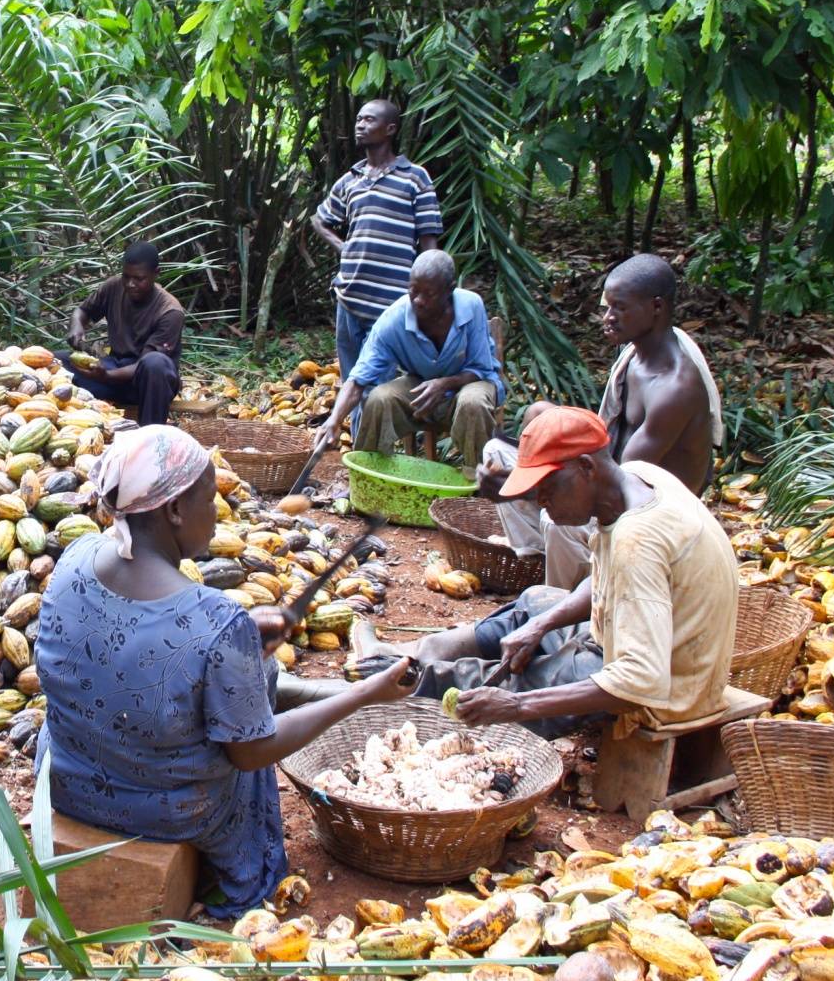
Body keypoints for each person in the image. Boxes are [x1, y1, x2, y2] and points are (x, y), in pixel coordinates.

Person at [34, 424, 417, 918]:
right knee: (246, 749)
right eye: (209, 497)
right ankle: (235, 880)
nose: (216, 511)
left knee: (250, 681)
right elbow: (252, 753)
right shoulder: (216, 621)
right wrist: (365, 693)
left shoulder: (74, 558)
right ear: (175, 509)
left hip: (65, 780)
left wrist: (243, 638)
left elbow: (128, 645)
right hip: (163, 812)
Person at [386, 407, 738, 741]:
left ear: (586, 467)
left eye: (549, 487)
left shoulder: (637, 540)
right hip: (630, 637)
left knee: (500, 689)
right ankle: (423, 651)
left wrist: (518, 705)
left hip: (668, 686)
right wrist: (542, 625)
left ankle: (403, 683)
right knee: (535, 603)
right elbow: (604, 579)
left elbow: (641, 680)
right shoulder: (639, 477)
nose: (541, 500)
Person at [482, 254, 723, 588]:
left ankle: (565, 593)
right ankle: (539, 558)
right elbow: (602, 441)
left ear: (656, 307)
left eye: (619, 308)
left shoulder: (675, 387)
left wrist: (523, 488)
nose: (608, 318)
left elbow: (621, 484)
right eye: (607, 307)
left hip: (646, 512)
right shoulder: (634, 355)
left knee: (557, 522)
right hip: (611, 478)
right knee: (508, 442)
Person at [312, 250, 503, 468]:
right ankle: (370, 477)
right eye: (413, 290)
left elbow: (481, 369)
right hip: (421, 390)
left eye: (429, 294)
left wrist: (445, 384)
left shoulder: (471, 306)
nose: (418, 301)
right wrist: (334, 420)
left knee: (473, 402)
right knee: (379, 399)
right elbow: (357, 381)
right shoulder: (393, 320)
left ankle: (479, 480)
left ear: (449, 289)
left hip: (470, 384)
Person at [311, 99, 444, 389]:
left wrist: (431, 294)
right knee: (351, 382)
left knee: (377, 387)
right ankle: (356, 423)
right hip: (349, 297)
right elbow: (319, 220)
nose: (360, 125)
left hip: (391, 301)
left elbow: (429, 243)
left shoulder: (415, 177)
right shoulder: (350, 180)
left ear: (390, 129)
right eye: (359, 119)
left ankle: (372, 423)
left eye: (369, 120)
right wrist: (343, 248)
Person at [62, 241, 185, 425]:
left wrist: (107, 376)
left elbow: (145, 364)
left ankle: (151, 434)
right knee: (57, 360)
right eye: (126, 276)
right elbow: (82, 311)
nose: (130, 284)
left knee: (155, 364)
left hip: (147, 383)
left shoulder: (170, 311)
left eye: (139, 279)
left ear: (156, 273)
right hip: (114, 370)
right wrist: (76, 326)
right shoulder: (114, 286)